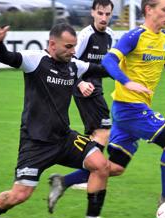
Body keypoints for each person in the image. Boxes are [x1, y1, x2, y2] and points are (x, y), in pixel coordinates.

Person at [48, 0, 165, 217]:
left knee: (114, 168)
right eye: (164, 10)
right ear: (149, 10)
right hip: (129, 108)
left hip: (133, 110)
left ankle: (63, 181)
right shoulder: (135, 36)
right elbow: (108, 61)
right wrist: (127, 82)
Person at [0, 22, 111, 218]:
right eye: (68, 47)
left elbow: (100, 70)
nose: (73, 51)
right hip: (36, 143)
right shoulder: (35, 60)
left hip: (64, 139)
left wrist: (126, 66)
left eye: (74, 46)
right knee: (18, 195)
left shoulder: (74, 65)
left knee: (102, 166)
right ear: (52, 45)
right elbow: (7, 57)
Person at [48, 0, 114, 195]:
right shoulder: (85, 36)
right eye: (100, 13)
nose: (104, 18)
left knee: (95, 134)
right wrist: (80, 83)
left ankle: (72, 178)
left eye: (107, 14)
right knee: (103, 131)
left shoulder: (110, 36)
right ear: (93, 13)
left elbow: (108, 64)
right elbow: (69, 61)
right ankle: (88, 174)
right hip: (84, 88)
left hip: (97, 87)